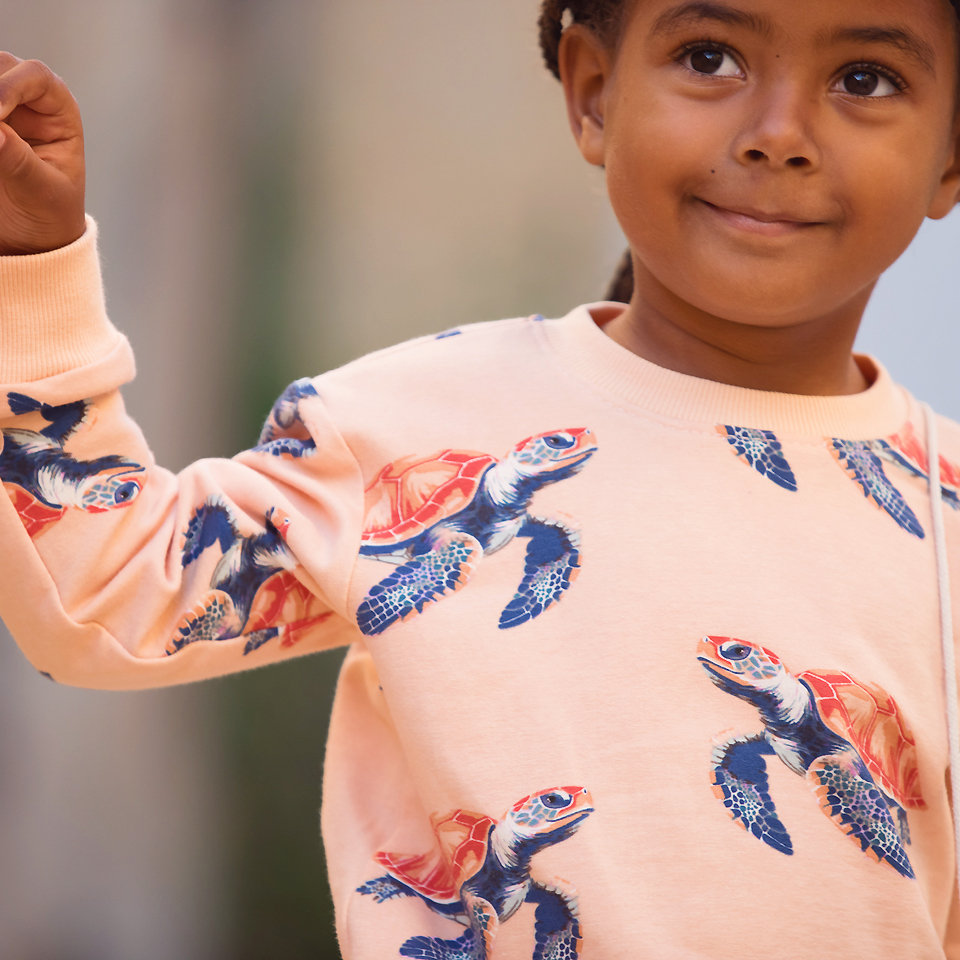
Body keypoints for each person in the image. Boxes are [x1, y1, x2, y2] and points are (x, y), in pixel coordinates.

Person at [0, 0, 959, 956]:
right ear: (594, 92)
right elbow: (107, 593)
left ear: (951, 154)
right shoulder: (405, 427)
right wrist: (34, 262)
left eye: (865, 79)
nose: (778, 134)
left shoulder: (942, 509)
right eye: (710, 58)